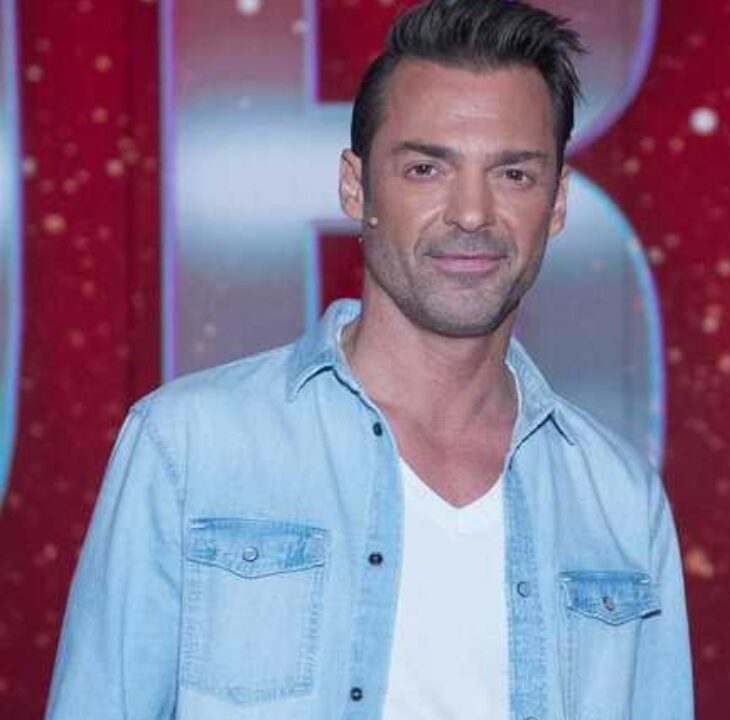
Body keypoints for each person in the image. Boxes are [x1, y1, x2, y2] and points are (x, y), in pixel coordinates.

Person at [44, 1, 693, 718]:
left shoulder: (620, 502)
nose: (471, 213)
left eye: (513, 174)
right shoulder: (189, 447)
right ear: (357, 188)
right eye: (426, 168)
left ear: (558, 202)